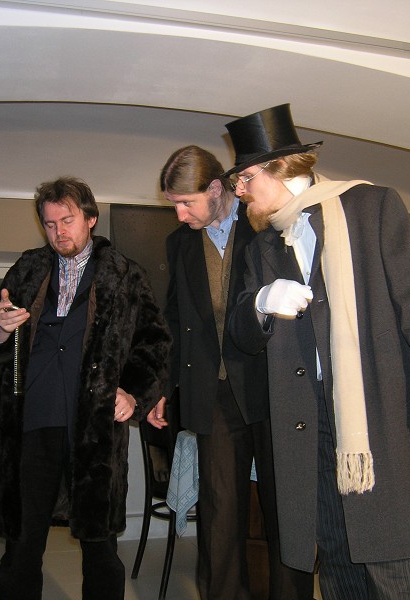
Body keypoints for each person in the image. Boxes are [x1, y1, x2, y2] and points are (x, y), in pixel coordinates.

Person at [224, 104, 410, 600]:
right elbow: (241, 336)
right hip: (305, 421)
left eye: (245, 178)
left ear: (280, 167)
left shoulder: (371, 208)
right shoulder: (260, 248)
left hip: (377, 416)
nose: (240, 191)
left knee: (388, 560)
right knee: (335, 556)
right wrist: (261, 303)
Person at [0, 176, 171, 600]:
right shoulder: (28, 269)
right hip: (30, 422)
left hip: (93, 428)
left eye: (67, 220)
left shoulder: (126, 275)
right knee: (21, 543)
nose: (58, 232)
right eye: (50, 223)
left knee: (100, 547)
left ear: (90, 218)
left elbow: (154, 343)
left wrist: (133, 393)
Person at [153, 145, 313, 600]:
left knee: (286, 510)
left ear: (215, 188)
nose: (180, 215)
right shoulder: (180, 243)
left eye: (186, 203)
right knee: (219, 513)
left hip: (273, 386)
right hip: (214, 393)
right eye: (174, 205)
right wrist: (164, 385)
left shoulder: (266, 220)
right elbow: (174, 319)